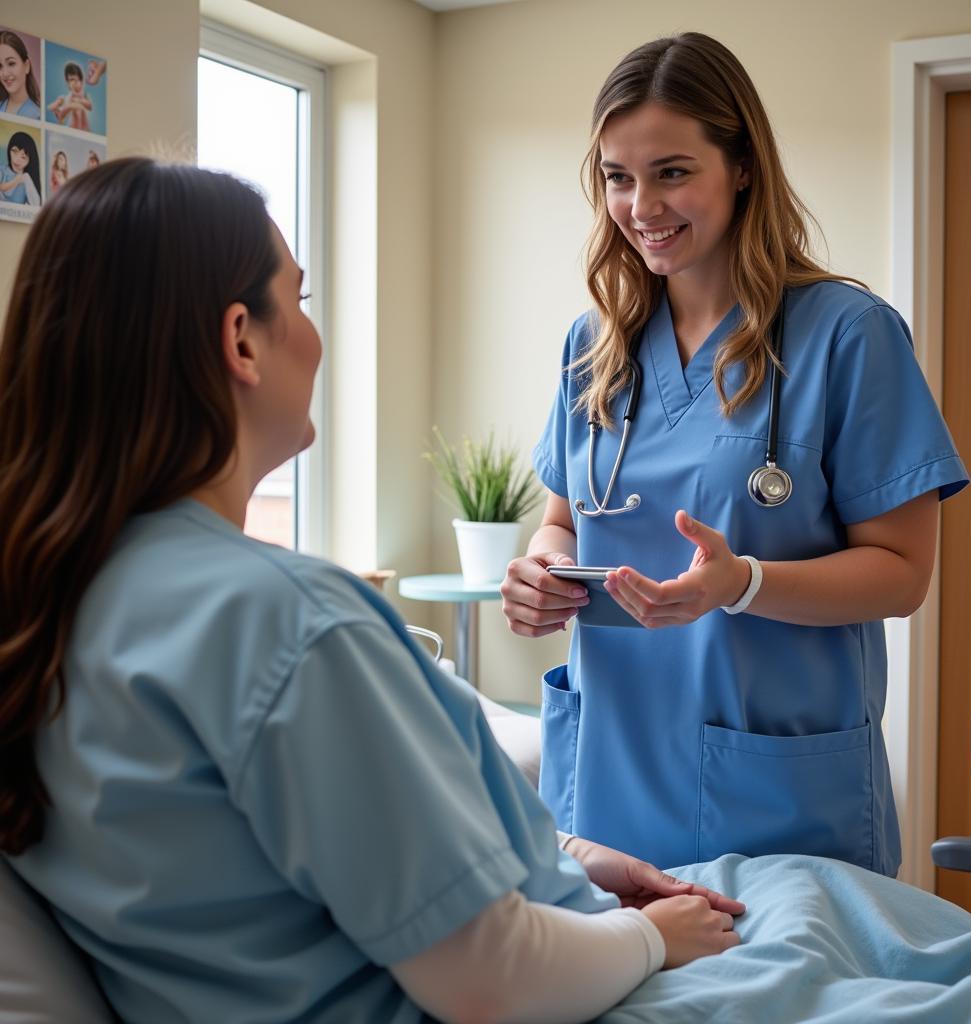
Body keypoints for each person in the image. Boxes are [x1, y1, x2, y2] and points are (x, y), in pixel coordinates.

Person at [0, 158, 743, 1024]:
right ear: (240, 340)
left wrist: (565, 856)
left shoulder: (47, 599)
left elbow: (277, 864)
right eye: (301, 300)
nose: (314, 338)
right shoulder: (287, 623)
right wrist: (658, 936)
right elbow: (494, 980)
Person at [501, 33, 969, 874]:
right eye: (617, 176)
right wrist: (542, 574)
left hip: (776, 796)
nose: (641, 204)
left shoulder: (848, 335)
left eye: (672, 171)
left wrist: (743, 583)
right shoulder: (594, 345)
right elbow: (559, 527)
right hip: (607, 778)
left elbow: (902, 574)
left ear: (742, 166)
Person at [0, 30, 41, 120]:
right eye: (0, 66)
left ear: (26, 66)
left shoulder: (37, 115)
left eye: (11, 63)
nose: (5, 73)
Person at [47, 60, 91, 132]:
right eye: (71, 80)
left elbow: (89, 106)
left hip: (84, 132)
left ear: (81, 82)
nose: (75, 84)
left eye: (77, 80)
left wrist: (79, 100)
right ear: (67, 83)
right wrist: (57, 106)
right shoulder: (64, 98)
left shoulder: (84, 96)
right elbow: (50, 107)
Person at [0, 130, 41, 206]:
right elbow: (1, 187)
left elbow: (36, 204)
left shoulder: (26, 178)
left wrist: (26, 179)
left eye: (23, 157)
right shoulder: (2, 170)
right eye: (14, 151)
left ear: (30, 160)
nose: (17, 159)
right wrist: (17, 180)